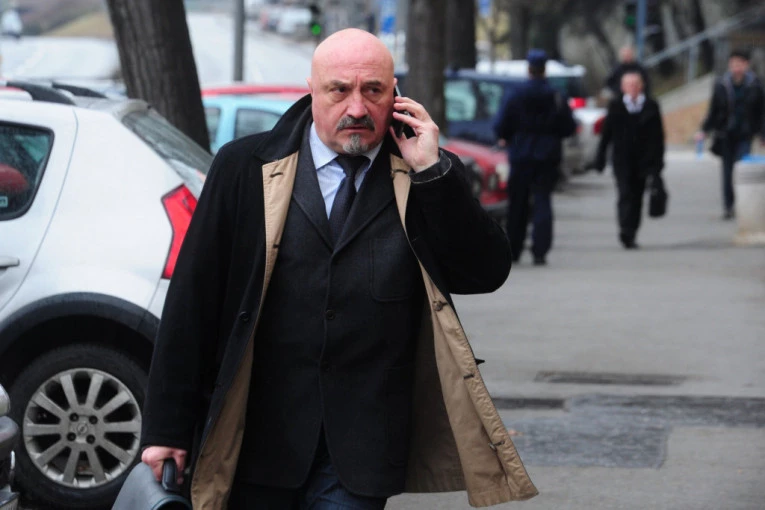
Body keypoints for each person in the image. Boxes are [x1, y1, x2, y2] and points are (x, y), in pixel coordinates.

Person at [139, 29, 537, 509]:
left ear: (396, 96)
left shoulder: (424, 172)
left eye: (373, 90)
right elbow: (192, 301)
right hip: (254, 437)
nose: (357, 107)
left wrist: (434, 176)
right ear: (312, 91)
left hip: (363, 449)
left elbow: (485, 272)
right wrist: (166, 429)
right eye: (339, 90)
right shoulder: (244, 168)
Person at [493, 49, 577, 266]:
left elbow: (501, 125)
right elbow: (569, 126)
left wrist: (509, 137)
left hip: (521, 154)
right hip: (547, 155)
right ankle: (540, 250)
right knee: (543, 200)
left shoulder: (516, 93)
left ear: (529, 69)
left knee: (517, 202)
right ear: (544, 69)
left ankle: (514, 248)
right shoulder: (555, 95)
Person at [592, 71, 665, 249]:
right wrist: (600, 158)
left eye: (635, 84)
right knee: (625, 194)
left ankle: (632, 232)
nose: (632, 88)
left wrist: (657, 164)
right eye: (629, 84)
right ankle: (625, 229)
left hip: (644, 161)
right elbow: (606, 134)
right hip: (622, 160)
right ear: (623, 87)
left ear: (641, 86)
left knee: (637, 196)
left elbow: (658, 137)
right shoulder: (616, 105)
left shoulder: (651, 106)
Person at [695, 48, 765, 220]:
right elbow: (713, 110)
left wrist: (762, 135)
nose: (736, 68)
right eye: (733, 64)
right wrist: (704, 130)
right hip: (725, 134)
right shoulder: (721, 85)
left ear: (746, 65)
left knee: (741, 168)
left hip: (745, 134)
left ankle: (742, 203)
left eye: (739, 64)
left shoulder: (755, 85)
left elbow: (762, 113)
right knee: (727, 172)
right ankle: (728, 206)